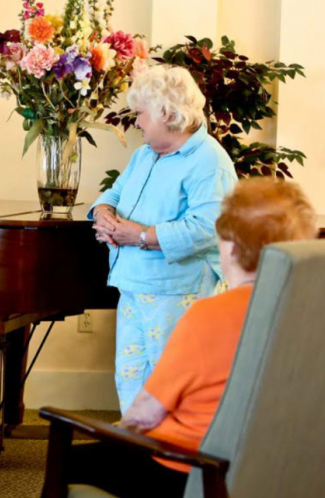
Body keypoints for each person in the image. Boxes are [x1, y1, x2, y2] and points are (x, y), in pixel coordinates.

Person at [68, 178, 319, 498]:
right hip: (280, 475)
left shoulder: (210, 316)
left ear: (230, 246)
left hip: (191, 471)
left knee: (70, 460)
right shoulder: (317, 315)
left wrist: (115, 429)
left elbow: (145, 414)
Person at [90, 65, 238, 412]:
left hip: (177, 290)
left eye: (141, 113)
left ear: (166, 114)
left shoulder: (209, 160)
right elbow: (114, 193)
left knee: (171, 384)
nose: (137, 121)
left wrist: (139, 235)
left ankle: (169, 448)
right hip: (133, 284)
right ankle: (138, 444)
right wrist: (103, 213)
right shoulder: (144, 154)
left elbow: (209, 226)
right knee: (131, 378)